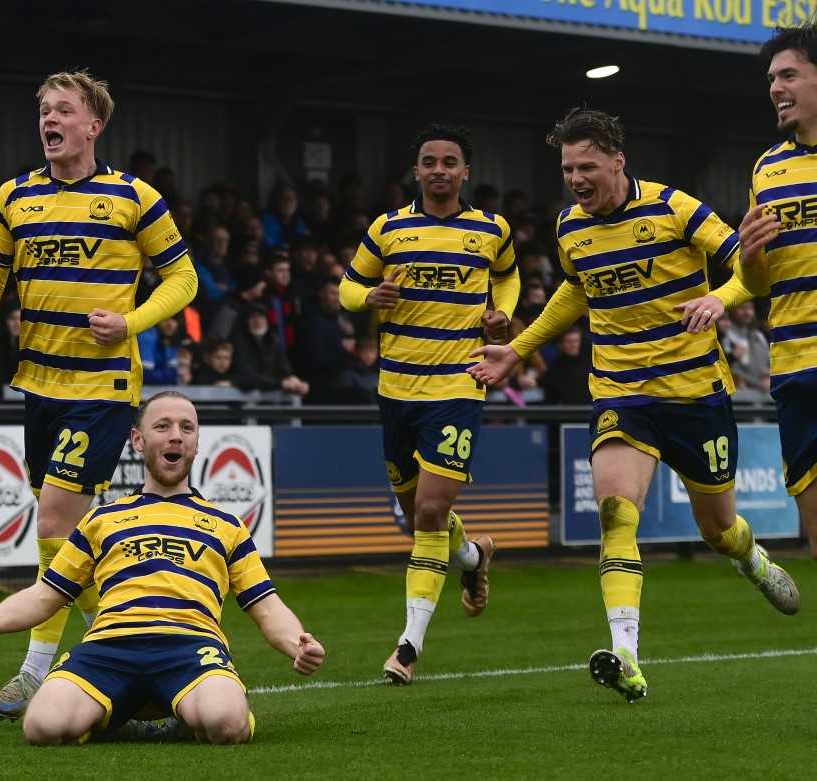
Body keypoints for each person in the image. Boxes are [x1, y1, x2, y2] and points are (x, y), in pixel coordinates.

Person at [468, 107, 800, 703]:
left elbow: (747, 267)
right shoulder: (570, 227)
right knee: (616, 513)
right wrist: (516, 350)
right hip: (621, 390)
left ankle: (750, 558)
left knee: (718, 529)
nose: (575, 179)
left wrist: (720, 300)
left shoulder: (675, 208)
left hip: (696, 393)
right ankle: (626, 655)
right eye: (568, 169)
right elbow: (576, 289)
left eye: (587, 167)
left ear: (618, 162)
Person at [0, 70, 198, 719]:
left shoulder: (134, 197)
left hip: (103, 386)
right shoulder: (14, 196)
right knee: (58, 538)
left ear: (94, 125)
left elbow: (183, 279)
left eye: (63, 110)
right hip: (38, 382)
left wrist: (132, 322)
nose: (49, 120)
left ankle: (36, 673)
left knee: (55, 522)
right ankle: (133, 644)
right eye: (44, 110)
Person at [0, 392, 324, 745]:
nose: (176, 436)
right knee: (42, 727)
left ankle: (192, 711)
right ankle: (118, 717)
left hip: (190, 648)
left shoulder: (228, 525)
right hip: (109, 648)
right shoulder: (100, 520)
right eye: (163, 426)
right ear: (138, 440)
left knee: (225, 723)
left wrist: (298, 645)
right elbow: (45, 595)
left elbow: (267, 606)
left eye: (186, 428)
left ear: (196, 443)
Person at [339, 124, 520, 685]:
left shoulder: (491, 229)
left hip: (458, 387)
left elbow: (508, 278)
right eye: (429, 161)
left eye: (449, 162)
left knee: (428, 512)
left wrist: (502, 314)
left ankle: (408, 646)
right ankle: (473, 558)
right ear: (416, 170)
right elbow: (347, 288)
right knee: (418, 514)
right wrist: (369, 295)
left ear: (466, 172)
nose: (439, 169)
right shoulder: (388, 228)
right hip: (396, 390)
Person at [737, 23, 817, 561]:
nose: (775, 88)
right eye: (771, 79)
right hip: (793, 366)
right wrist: (749, 256)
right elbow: (759, 283)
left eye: (788, 75)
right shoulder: (767, 169)